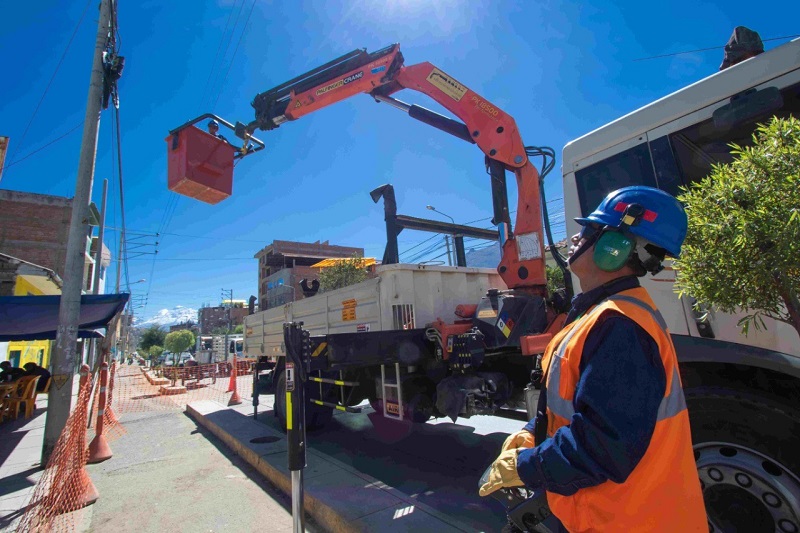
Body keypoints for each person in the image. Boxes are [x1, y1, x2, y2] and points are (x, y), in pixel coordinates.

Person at [479, 186, 706, 532]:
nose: (575, 236)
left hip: (628, 521)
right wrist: (532, 433)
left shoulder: (619, 326)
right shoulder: (604, 315)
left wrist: (524, 466)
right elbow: (575, 405)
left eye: (588, 230)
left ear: (612, 248)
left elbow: (603, 446)